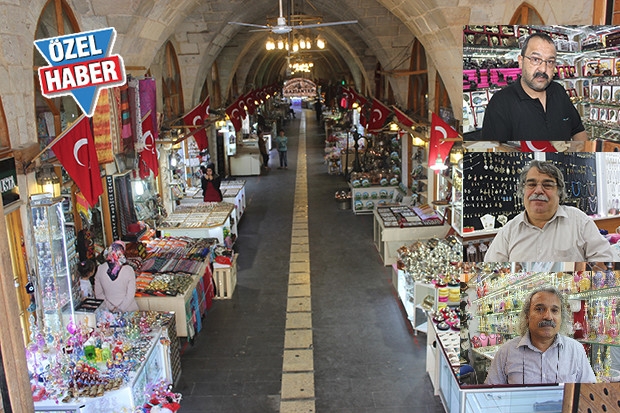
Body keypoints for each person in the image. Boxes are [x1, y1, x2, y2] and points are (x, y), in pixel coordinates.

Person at [484, 160, 613, 262]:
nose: (538, 191)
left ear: (559, 192)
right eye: (531, 184)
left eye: (547, 185)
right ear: (522, 190)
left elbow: (604, 260)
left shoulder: (580, 222)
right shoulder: (508, 232)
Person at [479, 32, 587, 142]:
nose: (543, 69)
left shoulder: (558, 91)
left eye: (550, 62)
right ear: (521, 62)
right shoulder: (500, 104)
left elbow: (578, 130)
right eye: (535, 59)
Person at [485, 286, 596, 385]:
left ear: (561, 318)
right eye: (539, 309)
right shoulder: (506, 352)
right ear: (527, 316)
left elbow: (590, 392)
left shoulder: (575, 350)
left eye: (554, 310)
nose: (548, 316)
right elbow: (491, 394)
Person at [94, 241, 139, 312]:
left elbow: (99, 294)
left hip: (108, 312)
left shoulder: (100, 269)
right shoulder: (128, 270)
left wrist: (111, 308)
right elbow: (130, 294)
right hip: (129, 310)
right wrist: (121, 308)